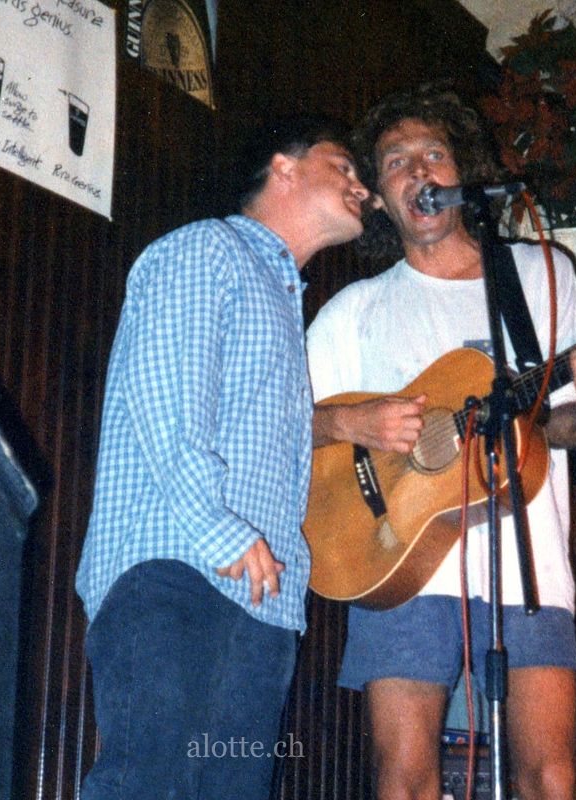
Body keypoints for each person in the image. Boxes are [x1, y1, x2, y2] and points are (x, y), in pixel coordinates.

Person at [306, 83, 576, 800]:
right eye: (396, 162)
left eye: (434, 154)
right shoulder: (352, 312)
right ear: (379, 198)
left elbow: (558, 423)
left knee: (551, 776)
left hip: (528, 562)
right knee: (403, 779)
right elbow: (284, 426)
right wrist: (354, 424)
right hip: (395, 558)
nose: (419, 171)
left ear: (464, 174)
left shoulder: (541, 274)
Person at [75, 116, 369, 800]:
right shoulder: (207, 249)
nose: (362, 186)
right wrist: (219, 528)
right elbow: (163, 391)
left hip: (259, 599)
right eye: (343, 166)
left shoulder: (282, 298)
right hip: (176, 570)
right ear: (284, 167)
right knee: (147, 786)